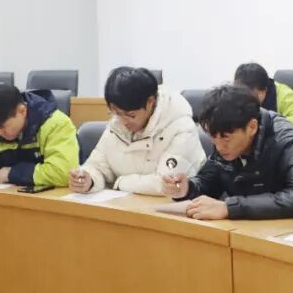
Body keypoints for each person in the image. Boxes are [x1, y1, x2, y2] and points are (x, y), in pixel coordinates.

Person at [162, 84, 293, 220]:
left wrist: (230, 207)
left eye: (225, 138)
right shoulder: (223, 137)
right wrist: (188, 188)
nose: (219, 147)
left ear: (252, 127)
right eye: (213, 137)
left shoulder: (288, 141)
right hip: (252, 225)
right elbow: (210, 180)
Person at [69, 67, 205, 196]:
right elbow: (97, 165)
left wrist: (120, 182)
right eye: (117, 113)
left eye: (131, 115)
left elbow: (166, 184)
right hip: (125, 204)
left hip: (170, 208)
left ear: (150, 102)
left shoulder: (181, 128)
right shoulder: (117, 124)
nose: (123, 121)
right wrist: (89, 180)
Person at [0, 84, 79, 188]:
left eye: (3, 127)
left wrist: (12, 174)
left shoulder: (56, 124)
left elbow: (63, 172)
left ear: (22, 111)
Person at [234, 62, 293, 135]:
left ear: (264, 90)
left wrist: (265, 127)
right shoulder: (233, 95)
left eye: (251, 95)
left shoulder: (285, 95)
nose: (246, 100)